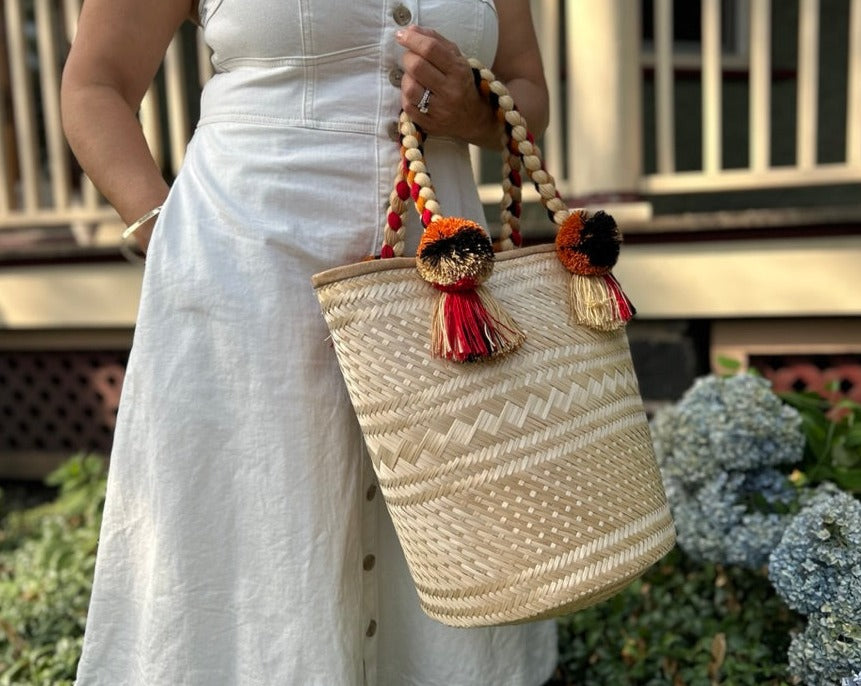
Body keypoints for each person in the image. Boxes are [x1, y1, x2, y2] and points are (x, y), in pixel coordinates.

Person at [61, 1, 554, 684]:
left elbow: (525, 83)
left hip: (442, 287)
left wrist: (473, 111)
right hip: (246, 280)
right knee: (268, 537)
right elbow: (96, 83)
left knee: (443, 543)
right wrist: (159, 228)